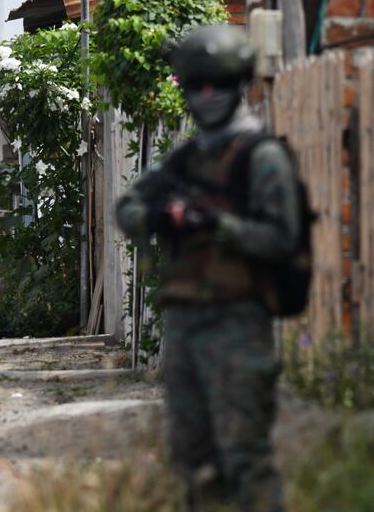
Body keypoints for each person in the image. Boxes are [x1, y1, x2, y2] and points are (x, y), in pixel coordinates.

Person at [117, 26, 299, 511]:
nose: (208, 96)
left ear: (237, 85)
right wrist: (159, 218)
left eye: (218, 85)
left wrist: (217, 224)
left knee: (245, 455)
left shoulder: (262, 157)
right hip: (184, 323)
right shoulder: (186, 159)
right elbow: (128, 206)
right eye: (198, 86)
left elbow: (283, 238)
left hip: (238, 320)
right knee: (192, 457)